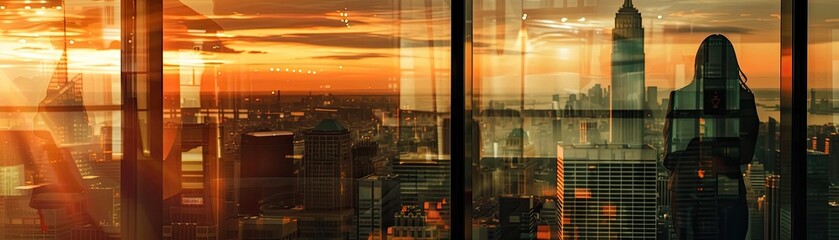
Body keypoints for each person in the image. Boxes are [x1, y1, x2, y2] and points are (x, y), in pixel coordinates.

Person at [663, 34, 759, 240]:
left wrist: (698, 150)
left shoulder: (679, 98)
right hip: (726, 190)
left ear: (698, 63)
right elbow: (745, 154)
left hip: (687, 192)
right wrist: (719, 152)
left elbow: (670, 157)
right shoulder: (745, 99)